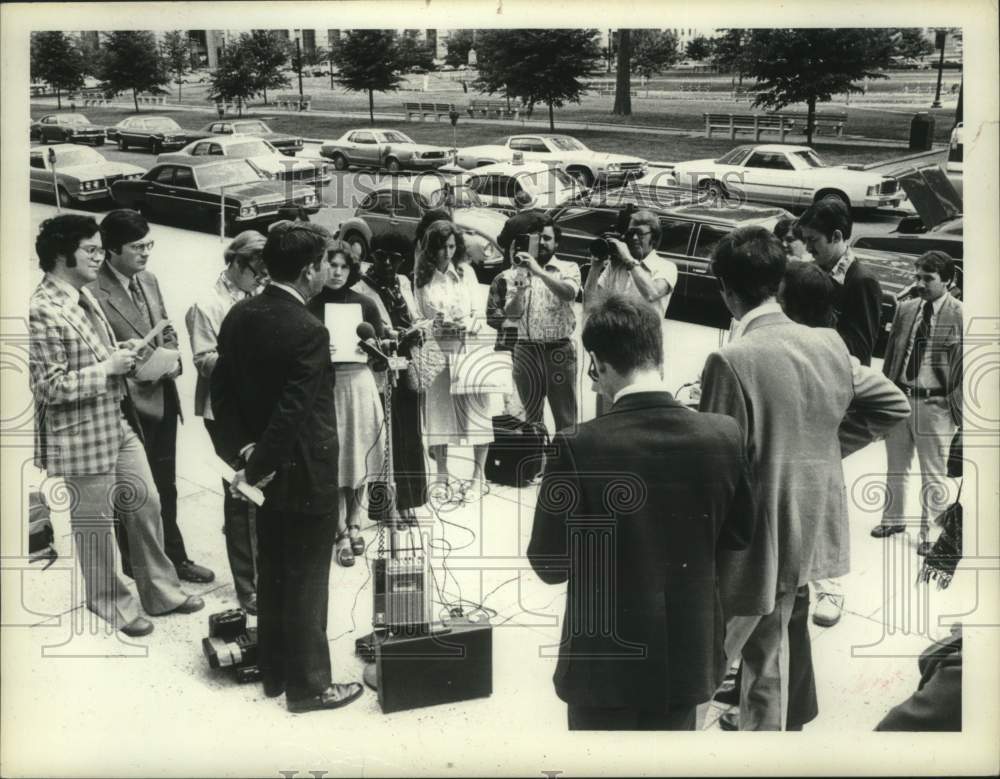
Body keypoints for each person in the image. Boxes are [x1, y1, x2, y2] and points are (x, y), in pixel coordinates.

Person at [698, 226, 909, 730]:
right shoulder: (829, 344)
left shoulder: (731, 359)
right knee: (768, 661)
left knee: (706, 666)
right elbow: (892, 403)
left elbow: (716, 468)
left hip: (752, 542)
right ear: (778, 282)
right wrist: (825, 450)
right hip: (808, 526)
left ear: (728, 290)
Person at [527, 293, 754, 731]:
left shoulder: (578, 445)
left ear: (598, 363)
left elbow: (550, 564)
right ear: (657, 354)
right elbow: (740, 536)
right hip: (687, 658)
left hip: (605, 668)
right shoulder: (724, 434)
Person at [211, 221, 364, 713]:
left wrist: (244, 457)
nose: (326, 269)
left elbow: (222, 396)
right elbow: (294, 413)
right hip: (303, 475)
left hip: (260, 470)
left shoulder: (239, 315)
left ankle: (274, 671)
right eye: (322, 262)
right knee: (307, 582)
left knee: (274, 570)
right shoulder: (309, 330)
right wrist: (261, 465)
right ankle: (310, 686)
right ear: (308, 270)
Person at [29, 215, 203, 637]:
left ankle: (160, 590)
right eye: (90, 249)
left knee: (146, 501)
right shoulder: (43, 309)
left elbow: (93, 353)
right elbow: (49, 386)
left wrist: (119, 351)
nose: (98, 256)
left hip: (115, 421)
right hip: (80, 435)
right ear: (61, 254)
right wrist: (108, 367)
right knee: (97, 526)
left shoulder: (82, 296)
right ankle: (109, 601)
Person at [88, 209, 215, 585]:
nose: (146, 253)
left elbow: (167, 327)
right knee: (135, 492)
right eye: (137, 246)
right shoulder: (94, 292)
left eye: (149, 244)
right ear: (112, 249)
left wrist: (172, 361)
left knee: (166, 486)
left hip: (162, 395)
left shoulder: (149, 279)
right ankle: (139, 564)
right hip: (127, 406)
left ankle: (176, 557)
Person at [184, 230, 268, 613]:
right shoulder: (207, 303)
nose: (261, 276)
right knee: (241, 495)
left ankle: (265, 571)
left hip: (258, 407)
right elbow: (203, 359)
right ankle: (247, 585)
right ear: (236, 262)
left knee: (264, 492)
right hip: (225, 412)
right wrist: (248, 360)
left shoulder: (257, 294)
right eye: (255, 269)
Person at [873, 251, 963, 554]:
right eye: (917, 276)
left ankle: (930, 533)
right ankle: (893, 518)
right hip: (900, 397)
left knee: (932, 471)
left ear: (948, 281)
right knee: (896, 465)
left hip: (935, 405)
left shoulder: (961, 315)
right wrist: (882, 397)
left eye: (929, 278)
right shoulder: (907, 308)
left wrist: (959, 412)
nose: (920, 283)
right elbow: (891, 356)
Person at [307, 243, 388, 566]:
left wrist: (372, 349)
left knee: (358, 456)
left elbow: (379, 354)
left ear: (351, 269)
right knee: (334, 457)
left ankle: (355, 522)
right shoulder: (311, 305)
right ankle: (338, 528)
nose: (337, 272)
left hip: (359, 383)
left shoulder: (366, 304)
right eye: (332, 265)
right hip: (327, 387)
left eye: (343, 266)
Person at [415, 219, 499, 504]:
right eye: (440, 247)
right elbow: (417, 318)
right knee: (438, 415)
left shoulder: (467, 274)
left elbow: (479, 313)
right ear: (431, 248)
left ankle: (478, 477)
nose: (446, 253)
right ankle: (441, 474)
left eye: (451, 246)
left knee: (477, 413)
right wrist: (435, 325)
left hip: (469, 347)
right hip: (437, 351)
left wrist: (467, 325)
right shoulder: (421, 277)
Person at [352, 232, 428, 524]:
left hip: (406, 365)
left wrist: (418, 327)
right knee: (385, 438)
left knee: (409, 434)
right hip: (381, 367)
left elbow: (414, 313)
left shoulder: (403, 283)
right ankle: (386, 508)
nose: (385, 263)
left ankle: (408, 501)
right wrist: (393, 335)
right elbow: (368, 330)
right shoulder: (361, 287)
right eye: (380, 255)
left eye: (393, 259)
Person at [488, 211, 580, 434]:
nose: (543, 244)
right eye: (538, 239)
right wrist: (520, 289)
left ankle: (566, 467)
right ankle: (537, 467)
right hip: (526, 350)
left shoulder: (568, 268)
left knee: (565, 419)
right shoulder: (514, 273)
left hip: (556, 350)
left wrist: (539, 272)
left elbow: (569, 293)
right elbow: (512, 313)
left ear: (557, 243)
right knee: (531, 422)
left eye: (548, 239)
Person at [582, 208, 678, 416]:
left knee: (641, 422)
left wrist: (629, 261)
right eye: (629, 234)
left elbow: (652, 293)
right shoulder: (615, 267)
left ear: (654, 238)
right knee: (606, 422)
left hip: (644, 357)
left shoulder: (665, 267)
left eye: (640, 234)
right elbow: (590, 305)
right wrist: (595, 267)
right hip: (610, 354)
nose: (634, 238)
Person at [798, 196, 882, 366]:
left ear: (836, 236)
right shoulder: (812, 270)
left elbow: (860, 351)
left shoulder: (862, 281)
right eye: (805, 240)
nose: (807, 248)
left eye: (813, 240)